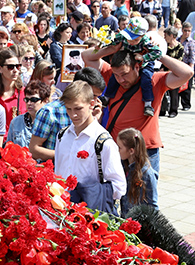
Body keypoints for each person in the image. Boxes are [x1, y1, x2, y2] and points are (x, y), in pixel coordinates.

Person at [82, 41, 194, 174]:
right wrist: (112, 48)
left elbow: (187, 73)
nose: (121, 80)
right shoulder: (112, 77)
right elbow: (86, 56)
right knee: (116, 193)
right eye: (117, 75)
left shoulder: (154, 81)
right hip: (116, 149)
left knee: (145, 194)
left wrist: (158, 55)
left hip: (145, 150)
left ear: (137, 67)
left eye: (125, 74)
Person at [53, 81, 126, 213]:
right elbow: (58, 172)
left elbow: (119, 186)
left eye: (78, 108)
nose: (73, 114)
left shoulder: (103, 142)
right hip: (61, 210)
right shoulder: (62, 135)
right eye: (68, 109)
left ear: (91, 104)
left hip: (89, 211)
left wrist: (90, 194)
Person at [28, 68, 104, 162]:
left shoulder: (94, 112)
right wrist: (69, 156)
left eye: (98, 96)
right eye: (93, 96)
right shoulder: (50, 112)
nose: (95, 101)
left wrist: (95, 120)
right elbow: (34, 149)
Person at [102, 17, 162, 117]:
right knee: (115, 77)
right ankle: (107, 97)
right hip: (128, 61)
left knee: (146, 79)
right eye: (129, 37)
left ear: (142, 35)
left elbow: (158, 53)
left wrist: (143, 57)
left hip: (144, 63)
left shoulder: (146, 41)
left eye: (134, 39)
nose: (130, 40)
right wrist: (104, 44)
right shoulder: (122, 36)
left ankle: (148, 104)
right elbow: (111, 42)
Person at [117, 128, 158, 216]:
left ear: (131, 151)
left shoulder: (146, 173)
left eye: (120, 148)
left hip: (138, 222)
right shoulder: (123, 165)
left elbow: (153, 204)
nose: (117, 150)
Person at [0, 48, 26, 134]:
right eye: (10, 67)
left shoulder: (24, 93)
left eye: (18, 66)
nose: (15, 70)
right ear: (0, 69)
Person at [6, 80, 50, 148]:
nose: (29, 103)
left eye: (33, 100)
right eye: (26, 100)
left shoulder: (51, 123)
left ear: (45, 101)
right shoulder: (16, 122)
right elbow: (8, 148)